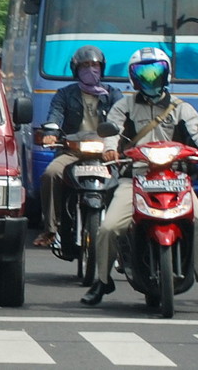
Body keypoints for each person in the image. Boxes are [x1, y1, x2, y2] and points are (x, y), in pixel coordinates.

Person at [80, 47, 198, 310]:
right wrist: (109, 149)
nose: (150, 79)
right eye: (144, 73)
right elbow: (112, 133)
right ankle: (102, 281)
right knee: (108, 227)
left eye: (156, 73)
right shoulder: (123, 106)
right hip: (135, 178)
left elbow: (197, 133)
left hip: (175, 178)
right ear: (133, 77)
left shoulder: (181, 108)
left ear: (166, 74)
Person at [34, 46, 123, 248]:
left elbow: (123, 119)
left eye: (94, 65)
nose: (90, 69)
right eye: (85, 65)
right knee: (50, 173)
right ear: (76, 69)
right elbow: (55, 116)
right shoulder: (65, 94)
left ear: (102, 68)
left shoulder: (113, 95)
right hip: (73, 151)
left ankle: (128, 233)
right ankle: (51, 229)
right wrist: (50, 134)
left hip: (105, 153)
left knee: (127, 180)